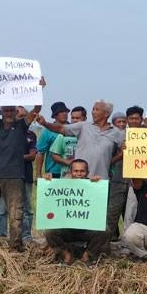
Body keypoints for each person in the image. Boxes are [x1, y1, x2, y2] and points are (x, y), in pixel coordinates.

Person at [35, 99, 125, 259]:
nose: (93, 111)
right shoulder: (83, 126)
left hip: (99, 185)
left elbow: (126, 148)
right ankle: (64, 250)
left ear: (106, 114)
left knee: (100, 223)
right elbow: (62, 128)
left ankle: (92, 253)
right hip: (75, 184)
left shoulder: (116, 133)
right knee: (65, 219)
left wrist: (111, 161)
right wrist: (45, 123)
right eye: (93, 108)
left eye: (96, 109)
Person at [0, 98, 41, 251]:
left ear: (16, 112)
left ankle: (15, 246)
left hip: (15, 176)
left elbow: (36, 110)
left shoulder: (21, 126)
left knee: (16, 213)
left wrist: (39, 91)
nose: (9, 113)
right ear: (1, 112)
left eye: (12, 110)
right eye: (6, 110)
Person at [43, 158, 110, 265]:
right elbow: (49, 200)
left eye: (82, 171)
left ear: (87, 172)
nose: (79, 174)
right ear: (71, 172)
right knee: (49, 231)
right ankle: (65, 253)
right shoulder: (61, 186)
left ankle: (88, 255)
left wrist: (98, 185)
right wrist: (47, 181)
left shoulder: (93, 185)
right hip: (66, 229)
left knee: (105, 230)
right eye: (76, 171)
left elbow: (100, 207)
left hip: (86, 230)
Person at [0, 108, 38, 244]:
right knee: (2, 207)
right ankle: (0, 234)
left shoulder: (31, 135)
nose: (23, 118)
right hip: (7, 175)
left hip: (25, 175)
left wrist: (13, 157)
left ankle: (25, 235)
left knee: (27, 208)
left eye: (25, 116)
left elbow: (32, 156)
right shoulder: (5, 132)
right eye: (20, 115)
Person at [36, 101, 70, 179]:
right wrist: (38, 174)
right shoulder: (47, 132)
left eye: (66, 111)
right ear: (54, 115)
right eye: (61, 112)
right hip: (53, 172)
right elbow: (40, 153)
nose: (64, 113)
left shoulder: (73, 129)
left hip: (71, 171)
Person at [49, 106, 87, 170]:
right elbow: (54, 155)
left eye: (77, 118)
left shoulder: (90, 135)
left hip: (86, 176)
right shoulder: (63, 135)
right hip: (67, 176)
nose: (74, 120)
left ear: (85, 118)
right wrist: (67, 162)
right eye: (73, 118)